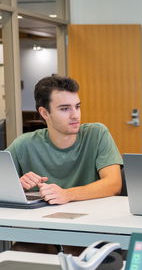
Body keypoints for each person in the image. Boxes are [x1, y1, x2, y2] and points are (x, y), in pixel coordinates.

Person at [7, 75, 123, 204]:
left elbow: (114, 184)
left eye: (77, 107)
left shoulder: (97, 134)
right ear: (45, 113)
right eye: (65, 109)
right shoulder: (24, 144)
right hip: (41, 220)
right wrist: (16, 185)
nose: (75, 115)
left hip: (91, 217)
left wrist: (67, 194)